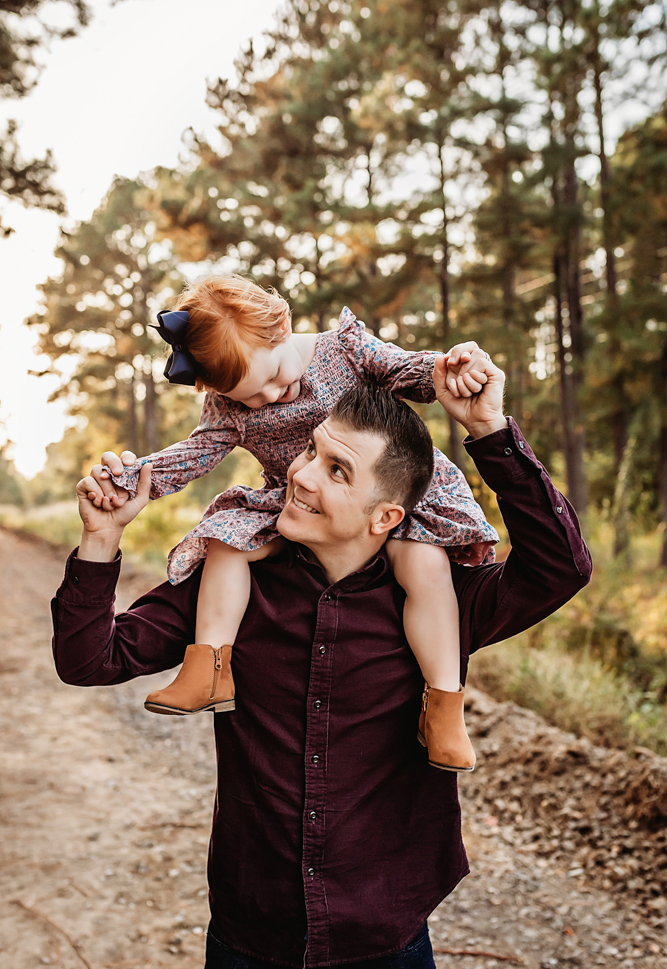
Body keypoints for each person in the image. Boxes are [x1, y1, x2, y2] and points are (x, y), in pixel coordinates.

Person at [52, 354, 591, 969]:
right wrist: (101, 540)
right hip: (248, 930)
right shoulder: (229, 582)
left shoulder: (441, 605)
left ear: (386, 516)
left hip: (383, 933)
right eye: (311, 452)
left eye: (338, 471)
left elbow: (560, 567)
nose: (302, 475)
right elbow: (90, 660)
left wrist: (490, 433)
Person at [91, 273, 498, 772]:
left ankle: (444, 707)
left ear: (281, 327)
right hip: (294, 498)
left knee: (425, 568)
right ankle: (210, 666)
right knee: (225, 540)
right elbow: (193, 454)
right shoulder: (227, 405)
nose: (271, 397)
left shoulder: (343, 349)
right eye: (251, 397)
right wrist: (132, 479)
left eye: (276, 377)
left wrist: (451, 369)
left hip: (388, 493)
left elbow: (407, 371)